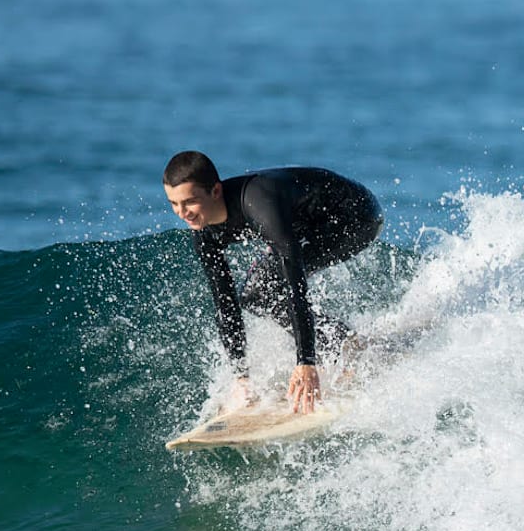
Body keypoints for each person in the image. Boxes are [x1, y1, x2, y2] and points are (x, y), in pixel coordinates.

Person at [163, 151, 384, 413]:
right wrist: (240, 377)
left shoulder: (258, 203)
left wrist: (305, 362)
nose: (182, 213)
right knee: (256, 296)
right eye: (174, 204)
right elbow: (226, 305)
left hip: (355, 217)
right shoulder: (204, 234)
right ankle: (344, 343)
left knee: (279, 281)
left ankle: (339, 351)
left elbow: (295, 286)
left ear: (215, 191)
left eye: (190, 201)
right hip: (307, 222)